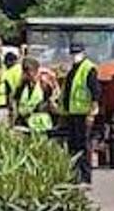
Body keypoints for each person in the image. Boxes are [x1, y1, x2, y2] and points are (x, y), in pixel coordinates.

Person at [59, 43, 101, 184]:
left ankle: (85, 177)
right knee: (73, 146)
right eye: (72, 53)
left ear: (83, 52)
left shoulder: (89, 69)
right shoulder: (73, 70)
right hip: (73, 114)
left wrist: (91, 114)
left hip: (84, 114)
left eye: (77, 53)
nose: (74, 56)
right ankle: (75, 176)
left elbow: (96, 93)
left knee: (83, 146)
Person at [11, 57, 55, 134]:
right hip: (24, 123)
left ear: (35, 70)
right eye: (25, 72)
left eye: (28, 72)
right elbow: (15, 101)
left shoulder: (44, 84)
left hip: (41, 125)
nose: (26, 75)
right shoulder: (22, 85)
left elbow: (52, 101)